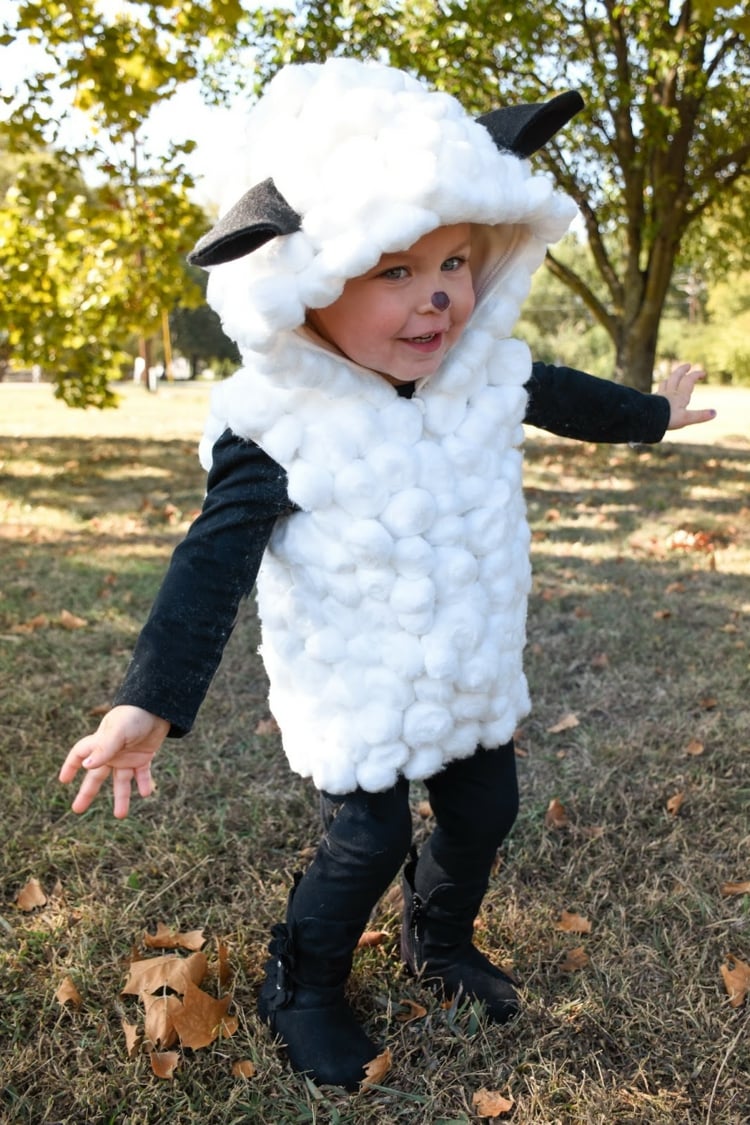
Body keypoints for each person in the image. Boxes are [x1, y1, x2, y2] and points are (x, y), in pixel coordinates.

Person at [59, 58, 715, 1091]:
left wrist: (655, 417)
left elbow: (569, 396)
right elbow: (211, 558)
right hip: (356, 682)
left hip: (467, 662)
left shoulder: (483, 371)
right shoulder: (278, 422)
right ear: (307, 284)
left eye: (454, 262)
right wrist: (150, 699)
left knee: (483, 809)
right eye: (395, 272)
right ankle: (305, 982)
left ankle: (436, 938)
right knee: (363, 841)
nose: (439, 296)